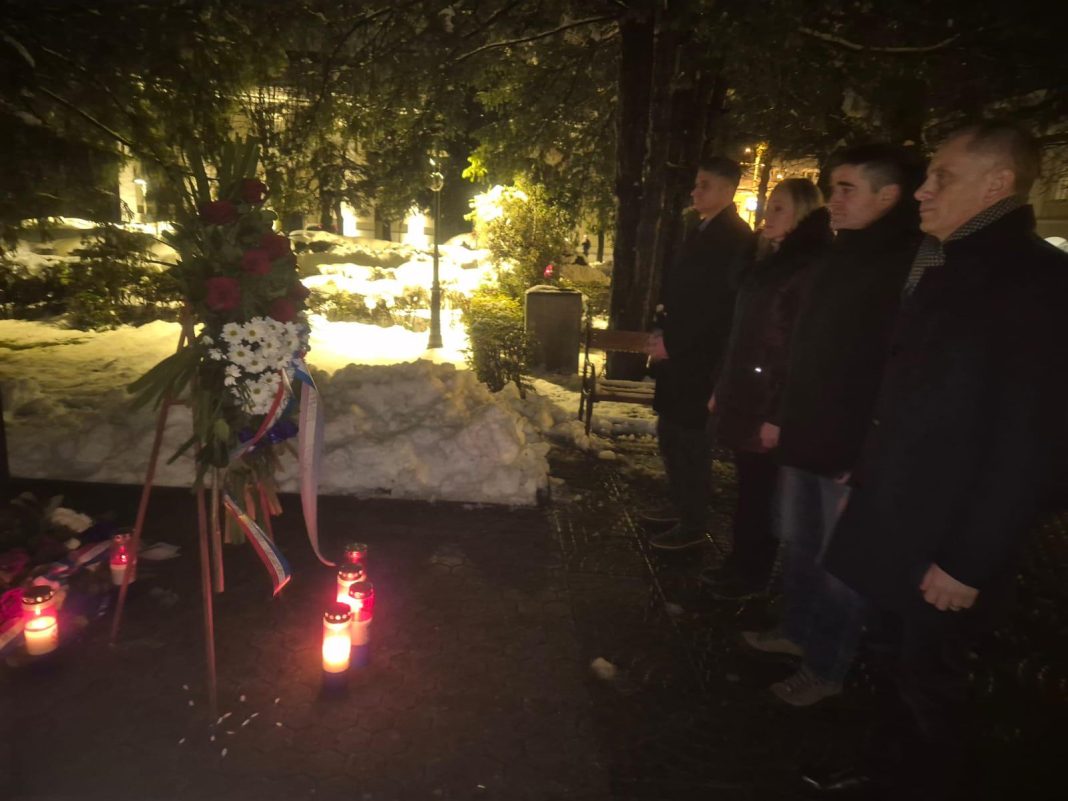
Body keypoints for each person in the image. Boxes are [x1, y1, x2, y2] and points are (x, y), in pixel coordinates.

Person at [812, 121, 1068, 799]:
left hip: (944, 537)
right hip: (901, 514)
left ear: (997, 184)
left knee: (933, 685)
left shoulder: (1036, 283)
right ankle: (884, 769)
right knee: (892, 660)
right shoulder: (950, 263)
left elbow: (1033, 442)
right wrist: (868, 467)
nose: (923, 190)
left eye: (942, 177)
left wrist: (967, 560)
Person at [741, 144, 924, 706]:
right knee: (800, 547)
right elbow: (804, 349)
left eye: (847, 189)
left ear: (887, 196)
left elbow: (896, 370)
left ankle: (826, 666)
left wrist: (867, 452)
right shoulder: (838, 255)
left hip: (849, 448)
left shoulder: (905, 266)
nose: (833, 200)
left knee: (838, 566)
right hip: (807, 434)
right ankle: (798, 634)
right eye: (832, 187)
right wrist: (783, 417)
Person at [700, 179, 833, 599]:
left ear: (803, 214)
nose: (766, 216)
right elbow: (742, 333)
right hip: (748, 392)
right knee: (750, 488)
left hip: (767, 400)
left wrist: (778, 415)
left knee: (763, 493)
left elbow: (798, 349)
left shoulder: (807, 268)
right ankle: (741, 564)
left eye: (778, 208)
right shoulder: (769, 263)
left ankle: (753, 574)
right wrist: (722, 383)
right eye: (768, 206)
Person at [645, 156, 753, 550]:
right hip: (680, 357)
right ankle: (681, 507)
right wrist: (661, 328)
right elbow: (681, 292)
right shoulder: (702, 229)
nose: (695, 191)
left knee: (690, 441)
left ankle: (692, 522)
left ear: (727, 190)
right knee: (671, 435)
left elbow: (717, 309)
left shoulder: (734, 238)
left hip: (699, 362)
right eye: (696, 183)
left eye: (704, 184)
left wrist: (673, 342)